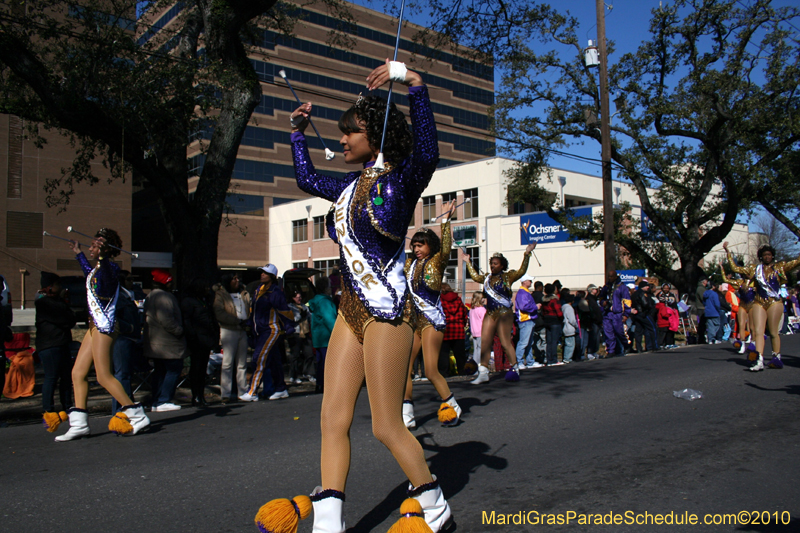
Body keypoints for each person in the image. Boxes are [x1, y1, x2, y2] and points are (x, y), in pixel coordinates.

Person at [259, 61, 451, 533]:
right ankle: (329, 521)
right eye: (342, 133)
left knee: (385, 426)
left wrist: (412, 81)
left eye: (352, 131)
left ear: (377, 136)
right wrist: (297, 135)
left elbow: (428, 150)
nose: (343, 140)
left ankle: (434, 502)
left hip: (389, 312)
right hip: (351, 310)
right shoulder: (346, 188)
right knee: (332, 418)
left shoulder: (402, 180)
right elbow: (307, 180)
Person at [55, 229, 149, 441]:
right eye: (91, 245)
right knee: (77, 372)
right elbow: (89, 271)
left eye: (95, 245)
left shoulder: (111, 269)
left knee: (103, 375)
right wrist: (78, 253)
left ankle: (135, 413)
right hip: (93, 326)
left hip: (104, 326)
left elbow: (105, 283)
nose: (91, 248)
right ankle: (79, 424)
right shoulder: (97, 268)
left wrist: (105, 256)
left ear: (106, 249)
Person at [402, 202, 461, 429]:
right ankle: (407, 412)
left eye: (421, 245)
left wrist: (446, 220)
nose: (417, 248)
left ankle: (451, 404)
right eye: (414, 245)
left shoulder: (436, 261)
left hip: (432, 322)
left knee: (430, 370)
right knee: (405, 369)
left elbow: (447, 247)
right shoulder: (409, 265)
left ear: (430, 246)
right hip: (414, 322)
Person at [462, 243, 536, 384]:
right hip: (490, 312)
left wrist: (527, 254)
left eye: (495, 264)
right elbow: (476, 277)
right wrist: (467, 262)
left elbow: (521, 271)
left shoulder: (508, 276)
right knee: (485, 341)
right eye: (491, 264)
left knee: (504, 342)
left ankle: (514, 367)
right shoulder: (487, 278)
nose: (493, 266)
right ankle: (483, 371)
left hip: (504, 313)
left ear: (502, 265)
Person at [724, 241, 800, 370]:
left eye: (769, 255)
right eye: (764, 255)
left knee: (773, 331)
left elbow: (796, 262)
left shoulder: (779, 267)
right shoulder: (755, 269)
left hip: (774, 301)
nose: (767, 257)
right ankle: (758, 359)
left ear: (773, 256)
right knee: (758, 331)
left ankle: (776, 357)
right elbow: (736, 268)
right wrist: (728, 253)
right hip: (759, 301)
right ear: (761, 256)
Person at [241, 264, 293, 402]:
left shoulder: (275, 292)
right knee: (275, 361)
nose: (262, 274)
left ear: (272, 277)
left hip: (271, 330)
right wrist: (249, 326)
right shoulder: (259, 290)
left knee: (259, 358)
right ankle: (281, 389)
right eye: (262, 272)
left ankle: (252, 391)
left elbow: (284, 311)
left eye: (265, 273)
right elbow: (254, 310)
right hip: (260, 331)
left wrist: (288, 326)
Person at [144, 268, 187, 412]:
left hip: (156, 343)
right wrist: (179, 331)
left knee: (160, 371)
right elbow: (167, 320)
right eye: (170, 282)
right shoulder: (164, 297)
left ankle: (157, 400)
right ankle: (164, 399)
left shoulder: (151, 296)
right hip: (168, 343)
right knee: (173, 370)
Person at [36, 272, 76, 424]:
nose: (60, 288)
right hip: (49, 345)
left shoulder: (60, 302)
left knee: (66, 377)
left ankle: (67, 406)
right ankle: (48, 409)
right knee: (51, 377)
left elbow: (71, 319)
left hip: (63, 343)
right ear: (49, 287)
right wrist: (65, 314)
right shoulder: (42, 303)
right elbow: (63, 319)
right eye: (58, 285)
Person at [213, 273, 250, 404]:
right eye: (234, 279)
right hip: (228, 329)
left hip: (242, 330)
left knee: (242, 362)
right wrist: (235, 321)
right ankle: (226, 393)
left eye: (238, 278)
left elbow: (248, 307)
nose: (237, 280)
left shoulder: (244, 293)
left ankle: (242, 391)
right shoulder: (221, 294)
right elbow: (219, 312)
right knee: (227, 363)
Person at [181, 278, 219, 407]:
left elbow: (211, 319)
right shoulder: (189, 302)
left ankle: (201, 394)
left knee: (202, 368)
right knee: (196, 368)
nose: (208, 290)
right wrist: (192, 336)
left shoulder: (205, 301)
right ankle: (196, 395)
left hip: (206, 338)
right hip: (196, 339)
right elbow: (187, 321)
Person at [111, 270, 141, 414]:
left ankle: (126, 405)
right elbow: (113, 318)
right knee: (122, 374)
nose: (131, 282)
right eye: (129, 279)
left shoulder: (128, 296)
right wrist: (128, 327)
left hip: (129, 338)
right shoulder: (119, 297)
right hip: (122, 339)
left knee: (126, 374)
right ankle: (122, 408)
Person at [307, 276, 337, 394]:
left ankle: (320, 384)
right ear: (326, 288)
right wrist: (337, 334)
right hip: (327, 337)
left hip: (318, 338)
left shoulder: (316, 300)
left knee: (320, 363)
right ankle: (328, 386)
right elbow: (329, 319)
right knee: (328, 363)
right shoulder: (325, 301)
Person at [599, 271, 632, 357]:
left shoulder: (622, 287)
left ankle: (626, 345)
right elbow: (601, 298)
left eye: (611, 277)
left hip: (618, 313)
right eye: (609, 277)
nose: (610, 278)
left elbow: (627, 301)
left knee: (619, 331)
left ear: (615, 277)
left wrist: (626, 314)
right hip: (607, 313)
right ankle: (611, 351)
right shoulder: (606, 287)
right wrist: (603, 303)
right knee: (608, 333)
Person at [287, 290, 315, 385]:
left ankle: (308, 373)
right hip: (296, 333)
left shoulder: (304, 307)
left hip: (305, 332)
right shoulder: (290, 307)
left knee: (309, 354)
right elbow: (292, 319)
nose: (299, 299)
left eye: (300, 297)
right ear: (293, 298)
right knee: (295, 355)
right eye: (297, 297)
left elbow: (310, 317)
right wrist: (300, 316)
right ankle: (293, 376)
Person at [514, 274, 539, 369]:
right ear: (524, 281)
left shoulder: (525, 292)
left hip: (529, 319)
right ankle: (519, 362)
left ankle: (530, 362)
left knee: (528, 342)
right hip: (525, 320)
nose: (531, 282)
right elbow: (523, 307)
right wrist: (535, 307)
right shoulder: (522, 293)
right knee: (523, 342)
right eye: (529, 280)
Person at [631, 281, 658, 352]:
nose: (648, 287)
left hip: (636, 314)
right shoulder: (642, 293)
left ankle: (638, 348)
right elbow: (645, 304)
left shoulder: (634, 294)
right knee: (653, 328)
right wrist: (650, 306)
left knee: (638, 331)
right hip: (643, 314)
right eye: (646, 286)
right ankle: (655, 346)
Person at [540, 283, 563, 365]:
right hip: (555, 321)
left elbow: (542, 312)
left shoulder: (544, 300)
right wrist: (561, 319)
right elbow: (559, 313)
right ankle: (554, 359)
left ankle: (549, 359)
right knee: (554, 341)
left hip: (547, 321)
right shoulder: (555, 300)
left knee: (549, 342)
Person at [579, 284, 603, 360]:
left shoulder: (594, 299)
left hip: (597, 321)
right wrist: (594, 319)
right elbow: (591, 311)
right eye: (595, 289)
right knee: (592, 338)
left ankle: (594, 351)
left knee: (596, 338)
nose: (596, 291)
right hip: (593, 321)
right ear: (591, 290)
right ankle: (590, 352)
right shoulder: (589, 299)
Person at [467, 292, 486, 371]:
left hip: (474, 331)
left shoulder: (472, 309)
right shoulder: (482, 309)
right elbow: (485, 321)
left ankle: (474, 366)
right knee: (481, 350)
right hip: (481, 331)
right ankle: (479, 365)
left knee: (476, 350)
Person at [560, 289, 578, 364]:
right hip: (569, 328)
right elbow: (572, 320)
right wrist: (576, 326)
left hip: (565, 328)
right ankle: (567, 358)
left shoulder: (563, 307)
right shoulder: (569, 308)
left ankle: (566, 357)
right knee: (570, 345)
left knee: (567, 343)